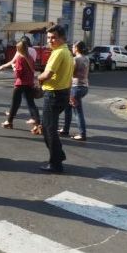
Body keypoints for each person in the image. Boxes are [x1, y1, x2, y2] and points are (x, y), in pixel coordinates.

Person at [37, 25, 73, 173]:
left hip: (54, 95)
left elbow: (47, 74)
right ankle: (58, 155)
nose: (50, 40)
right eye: (49, 38)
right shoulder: (67, 51)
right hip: (62, 93)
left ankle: (56, 163)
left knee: (48, 129)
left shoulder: (58, 52)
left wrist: (37, 79)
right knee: (48, 128)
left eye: (54, 37)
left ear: (62, 38)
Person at [0, 41, 42, 134]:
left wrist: (14, 67)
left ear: (19, 49)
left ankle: (9, 122)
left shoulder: (20, 58)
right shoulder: (30, 57)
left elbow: (18, 74)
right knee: (31, 104)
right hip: (29, 83)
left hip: (20, 84)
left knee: (15, 104)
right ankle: (38, 122)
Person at [61, 41, 90, 141]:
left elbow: (70, 73)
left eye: (73, 47)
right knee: (68, 108)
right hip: (84, 87)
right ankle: (65, 129)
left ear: (77, 48)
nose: (72, 48)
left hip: (75, 87)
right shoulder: (87, 58)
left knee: (77, 112)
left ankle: (82, 134)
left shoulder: (76, 59)